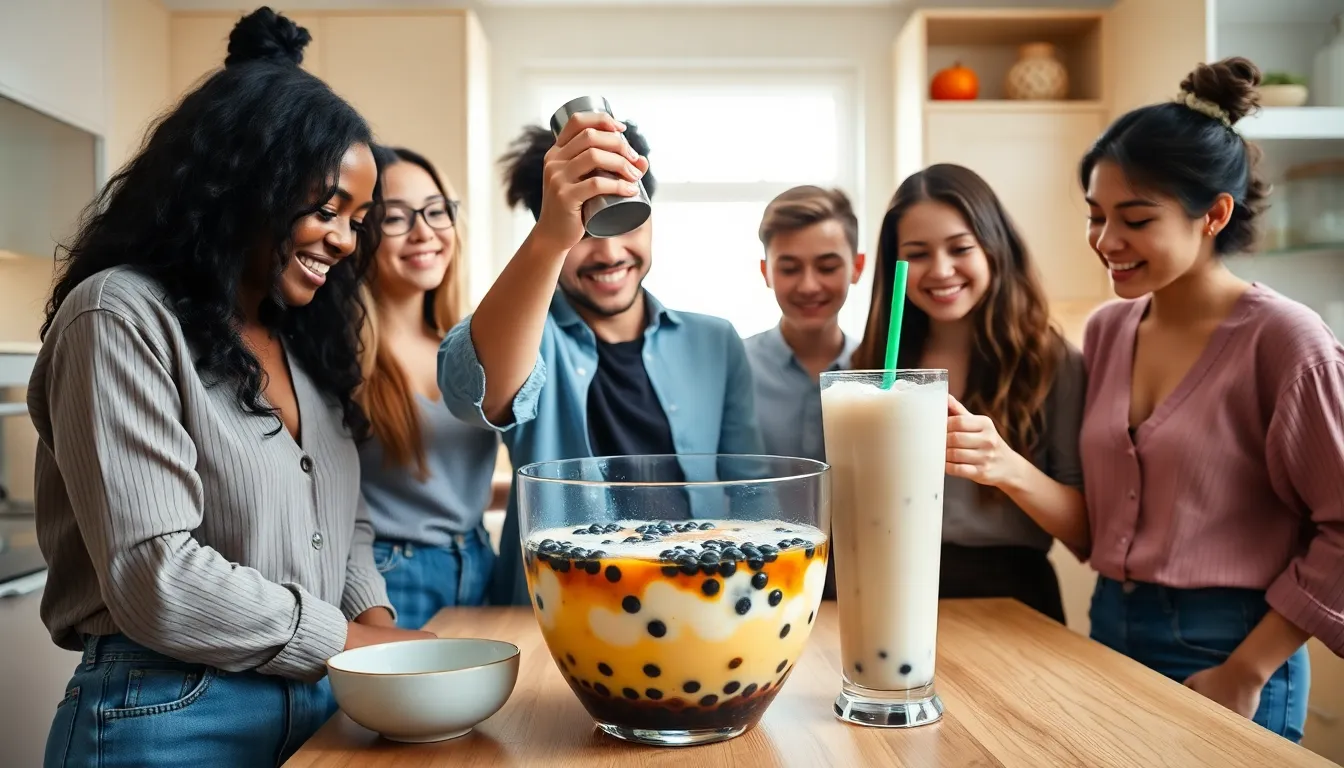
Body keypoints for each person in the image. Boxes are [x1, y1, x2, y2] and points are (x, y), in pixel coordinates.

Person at [27, 10, 431, 767]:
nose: (346, 242)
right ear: (241, 185)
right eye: (325, 209)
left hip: (318, 703)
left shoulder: (302, 341)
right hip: (167, 711)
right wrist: (361, 643)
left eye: (358, 219)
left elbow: (343, 527)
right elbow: (156, 576)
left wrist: (383, 643)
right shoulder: (119, 315)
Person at [437, 115, 763, 606]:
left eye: (627, 218)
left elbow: (751, 493)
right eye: (586, 230)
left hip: (697, 602)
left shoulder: (714, 341)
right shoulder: (530, 336)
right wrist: (551, 236)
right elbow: (475, 393)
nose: (610, 253)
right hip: (564, 609)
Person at [850, 163, 1085, 624]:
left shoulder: (1053, 363)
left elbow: (1086, 535)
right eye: (917, 254)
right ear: (892, 267)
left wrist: (1007, 467)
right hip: (889, 589)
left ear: (995, 249)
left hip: (1013, 599)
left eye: (960, 248)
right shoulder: (866, 369)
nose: (940, 270)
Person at [358, 145, 500, 629]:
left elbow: (449, 480)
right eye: (396, 217)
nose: (425, 232)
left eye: (437, 211)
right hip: (390, 578)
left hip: (481, 562)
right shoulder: (341, 358)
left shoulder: (464, 347)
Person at [744, 185, 865, 462]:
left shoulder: (879, 370)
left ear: (857, 267)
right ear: (766, 273)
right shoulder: (733, 367)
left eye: (827, 267)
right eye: (789, 269)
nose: (809, 286)